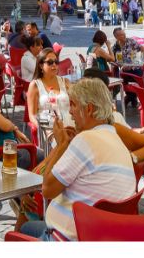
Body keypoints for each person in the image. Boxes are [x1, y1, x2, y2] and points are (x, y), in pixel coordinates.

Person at [19, 77, 136, 240]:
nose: (70, 112)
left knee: (19, 231)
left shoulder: (86, 140)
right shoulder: (116, 139)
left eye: (73, 105)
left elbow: (47, 189)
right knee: (27, 225)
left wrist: (61, 145)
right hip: (105, 234)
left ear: (88, 109)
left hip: (69, 238)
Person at [27, 49, 72, 128]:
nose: (54, 65)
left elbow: (75, 106)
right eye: (50, 62)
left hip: (69, 126)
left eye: (56, 62)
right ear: (41, 65)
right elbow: (32, 115)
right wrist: (41, 128)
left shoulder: (65, 82)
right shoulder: (35, 85)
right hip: (48, 128)